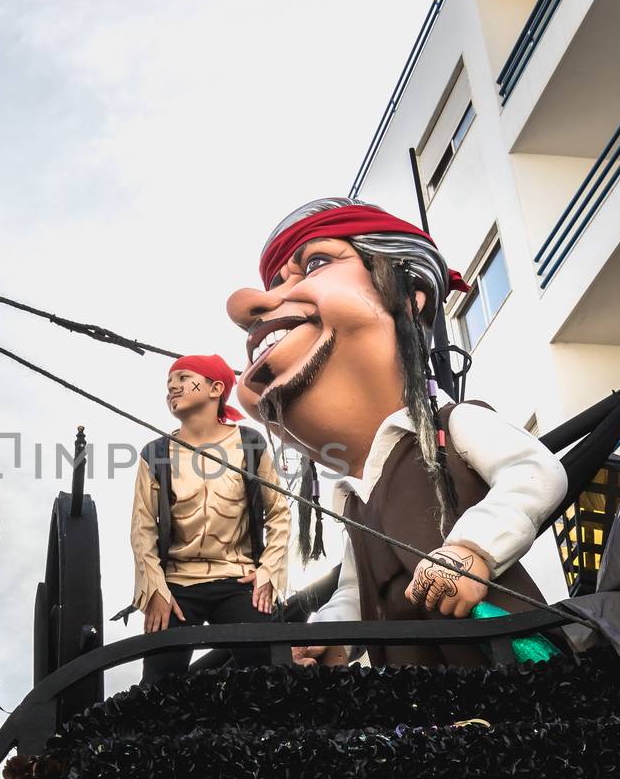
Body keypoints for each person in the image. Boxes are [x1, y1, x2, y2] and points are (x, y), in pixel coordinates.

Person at [226, 198, 568, 667]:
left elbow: (535, 473)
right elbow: (356, 589)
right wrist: (331, 638)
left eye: (315, 263)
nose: (248, 306)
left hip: (509, 659)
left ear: (408, 296)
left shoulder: (453, 426)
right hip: (411, 688)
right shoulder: (352, 495)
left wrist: (473, 551)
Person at [126, 353, 291, 683]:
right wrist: (154, 590)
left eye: (184, 378)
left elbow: (279, 513)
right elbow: (142, 530)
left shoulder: (249, 443)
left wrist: (268, 573)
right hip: (175, 584)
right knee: (157, 682)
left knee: (267, 672)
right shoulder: (155, 453)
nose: (172, 386)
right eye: (169, 382)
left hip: (237, 578)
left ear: (215, 388)